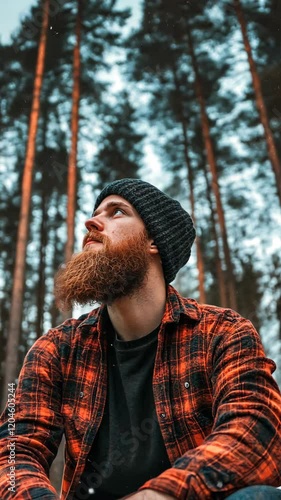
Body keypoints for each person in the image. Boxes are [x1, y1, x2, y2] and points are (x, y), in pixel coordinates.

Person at [0, 178, 281, 500]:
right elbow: (14, 447)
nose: (91, 222)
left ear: (154, 242)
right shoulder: (55, 348)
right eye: (95, 212)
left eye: (117, 212)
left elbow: (257, 428)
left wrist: (160, 495)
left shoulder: (223, 331)